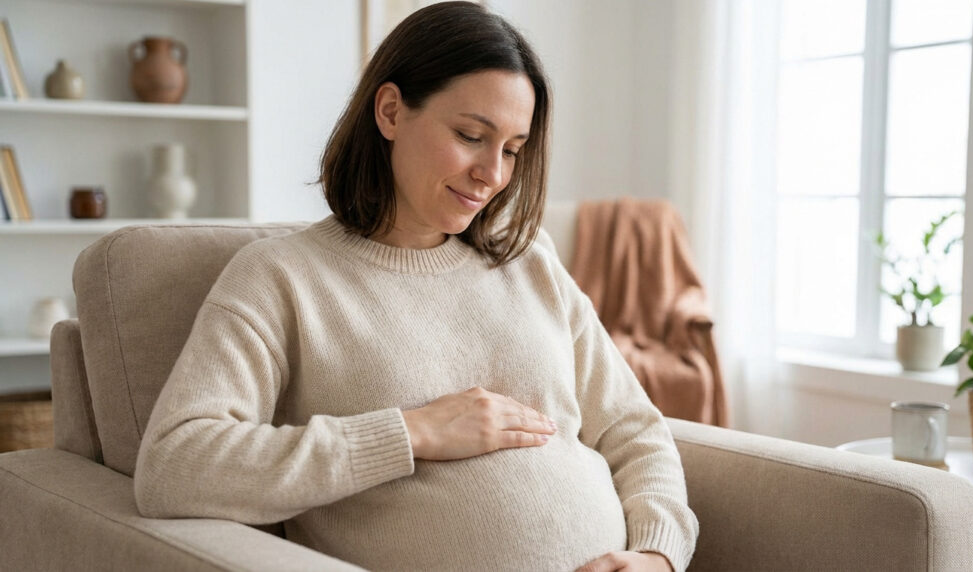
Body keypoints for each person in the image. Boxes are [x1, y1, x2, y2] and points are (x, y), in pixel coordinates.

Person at [134, 2, 698, 571]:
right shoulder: (282, 278)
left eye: (511, 150)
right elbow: (174, 464)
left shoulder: (530, 263)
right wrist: (409, 432)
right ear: (390, 112)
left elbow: (634, 429)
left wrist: (656, 554)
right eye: (471, 135)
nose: (494, 175)